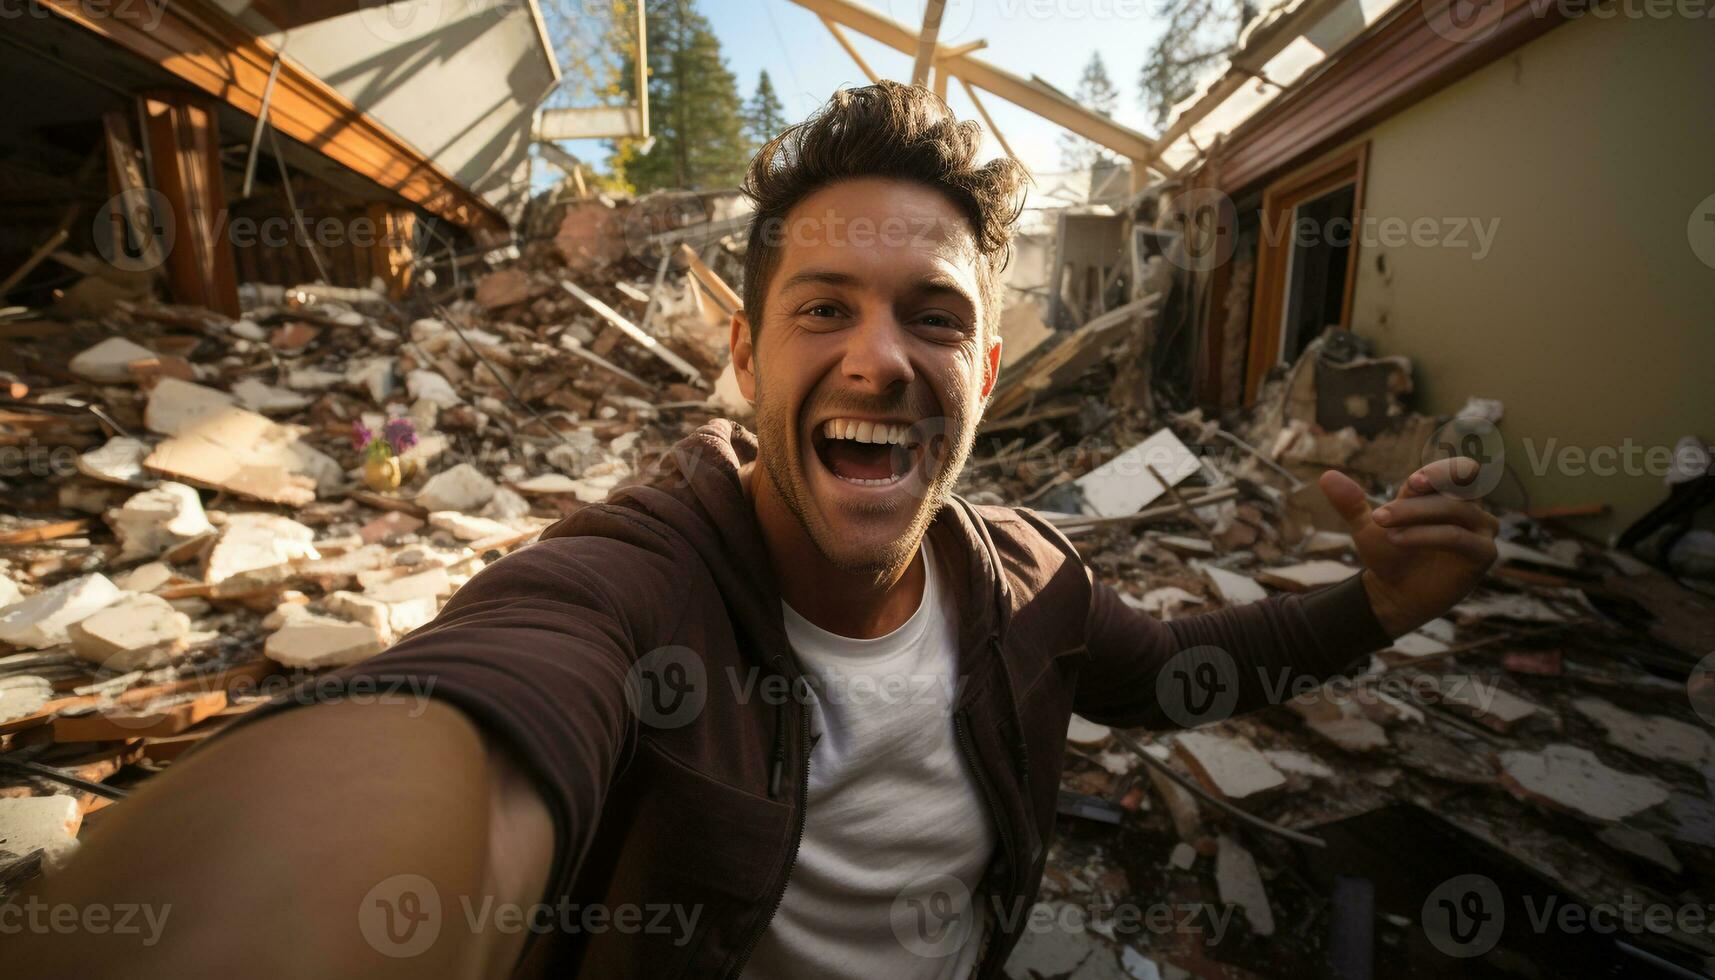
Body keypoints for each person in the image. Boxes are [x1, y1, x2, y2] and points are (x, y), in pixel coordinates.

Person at [9, 82, 1498, 979]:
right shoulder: (641, 584)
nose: (877, 359)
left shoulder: (1025, 582)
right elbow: (483, 701)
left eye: (933, 317)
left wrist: (1372, 604)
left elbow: (1178, 663)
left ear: (986, 375)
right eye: (822, 310)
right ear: (744, 357)